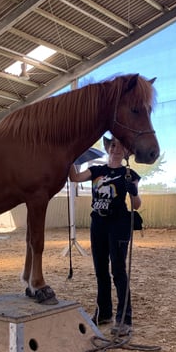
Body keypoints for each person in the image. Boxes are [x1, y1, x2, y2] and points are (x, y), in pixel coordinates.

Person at [68, 135, 141, 336]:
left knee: (118, 271)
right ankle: (104, 312)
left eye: (121, 145)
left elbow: (136, 205)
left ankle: (124, 318)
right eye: (113, 144)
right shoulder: (97, 171)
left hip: (118, 225)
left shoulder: (129, 174)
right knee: (101, 270)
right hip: (98, 224)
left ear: (126, 152)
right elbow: (74, 178)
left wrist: (133, 191)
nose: (116, 148)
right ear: (108, 148)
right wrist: (69, 157)